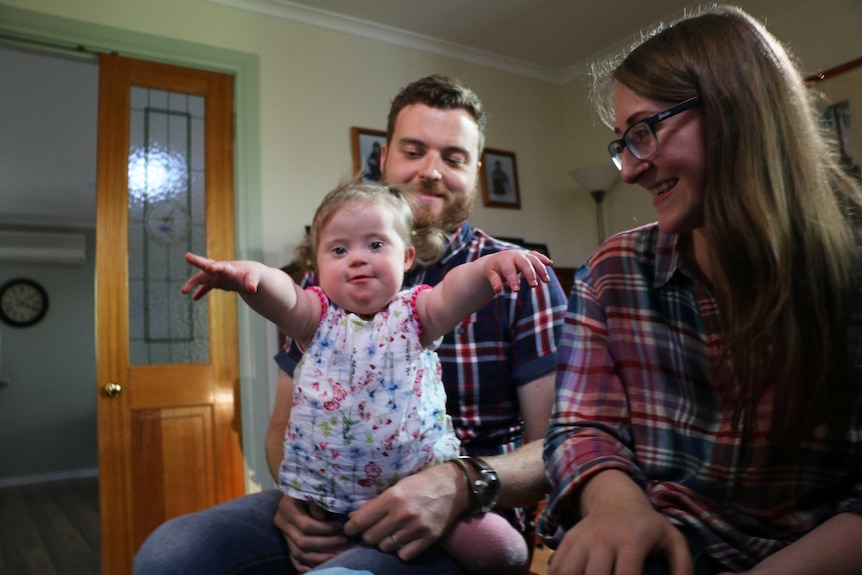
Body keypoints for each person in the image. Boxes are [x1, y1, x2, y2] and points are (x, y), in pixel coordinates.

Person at [134, 74, 568, 575]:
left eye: (454, 157)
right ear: (383, 158)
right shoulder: (327, 297)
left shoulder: (510, 277)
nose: (431, 171)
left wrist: (457, 485)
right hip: (329, 496)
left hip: (454, 509)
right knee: (170, 555)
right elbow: (281, 423)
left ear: (474, 171)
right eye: (414, 150)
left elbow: (556, 447)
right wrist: (295, 500)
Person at [537, 6, 862, 575]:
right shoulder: (612, 273)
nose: (630, 171)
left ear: (736, 110)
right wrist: (619, 508)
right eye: (624, 142)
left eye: (644, 131)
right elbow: (582, 428)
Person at [182, 183, 548, 574]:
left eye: (375, 245)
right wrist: (247, 276)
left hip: (419, 496)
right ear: (318, 266)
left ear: (407, 256)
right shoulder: (315, 319)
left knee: (503, 549)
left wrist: (489, 267)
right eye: (339, 250)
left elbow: (454, 291)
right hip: (325, 502)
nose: (357, 259)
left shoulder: (416, 314)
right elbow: (281, 294)